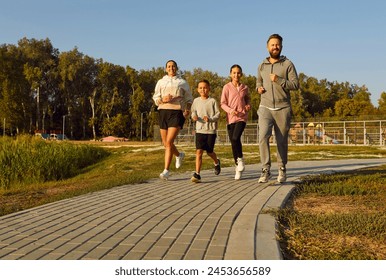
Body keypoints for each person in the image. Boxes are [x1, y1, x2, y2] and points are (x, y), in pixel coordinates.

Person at [256, 34, 299, 183]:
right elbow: (258, 81)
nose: (275, 47)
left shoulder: (288, 64)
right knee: (263, 137)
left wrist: (279, 80)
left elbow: (295, 84)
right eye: (272, 45)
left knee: (281, 141)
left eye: (278, 44)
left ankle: (281, 168)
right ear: (268, 47)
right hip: (265, 106)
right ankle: (265, 170)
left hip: (283, 108)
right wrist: (258, 88)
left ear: (281, 46)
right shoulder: (262, 65)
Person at [153, 60, 193, 180]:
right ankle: (179, 155)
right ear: (166, 69)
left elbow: (189, 98)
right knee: (166, 144)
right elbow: (156, 97)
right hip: (163, 112)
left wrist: (188, 109)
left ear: (176, 68)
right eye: (169, 66)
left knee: (169, 142)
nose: (171, 68)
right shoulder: (161, 82)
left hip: (176, 112)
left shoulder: (182, 82)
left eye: (173, 66)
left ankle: (166, 171)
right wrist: (162, 99)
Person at [221, 64, 251, 180]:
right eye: (234, 73)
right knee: (234, 142)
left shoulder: (244, 87)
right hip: (230, 118)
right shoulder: (226, 87)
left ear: (241, 74)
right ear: (230, 74)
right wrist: (230, 111)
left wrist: (248, 105)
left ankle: (240, 159)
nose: (236, 75)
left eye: (238, 73)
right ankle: (237, 166)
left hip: (242, 117)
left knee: (235, 138)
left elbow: (247, 98)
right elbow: (222, 103)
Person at [190, 79, 221, 183]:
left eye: (205, 87)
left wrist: (210, 119)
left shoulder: (212, 101)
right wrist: (194, 116)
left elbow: (218, 114)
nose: (203, 89)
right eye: (200, 88)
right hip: (199, 130)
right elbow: (193, 112)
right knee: (199, 151)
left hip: (210, 130)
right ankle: (197, 174)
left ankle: (216, 162)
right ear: (198, 90)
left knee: (209, 152)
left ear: (209, 89)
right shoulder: (196, 101)